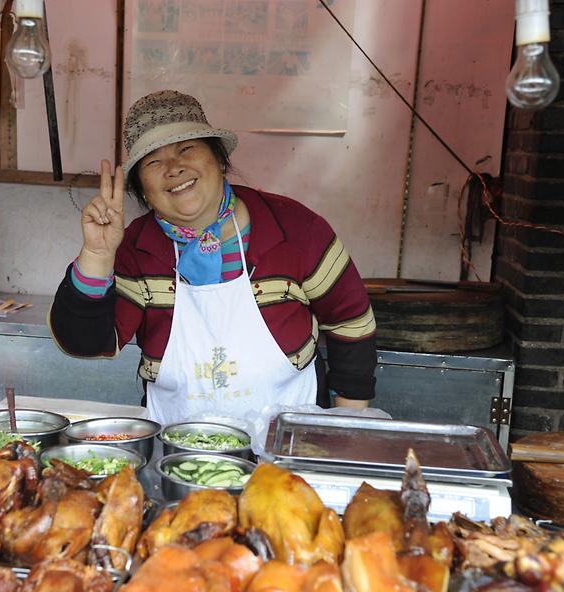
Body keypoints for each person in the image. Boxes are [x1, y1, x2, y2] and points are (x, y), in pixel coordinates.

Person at [49, 90, 376, 427]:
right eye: (154, 162)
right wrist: (97, 255)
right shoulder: (135, 248)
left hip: (289, 442)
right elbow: (85, 343)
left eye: (186, 149)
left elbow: (351, 321)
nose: (174, 169)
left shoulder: (296, 230)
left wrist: (345, 427)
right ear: (143, 189)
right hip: (177, 447)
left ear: (219, 161)